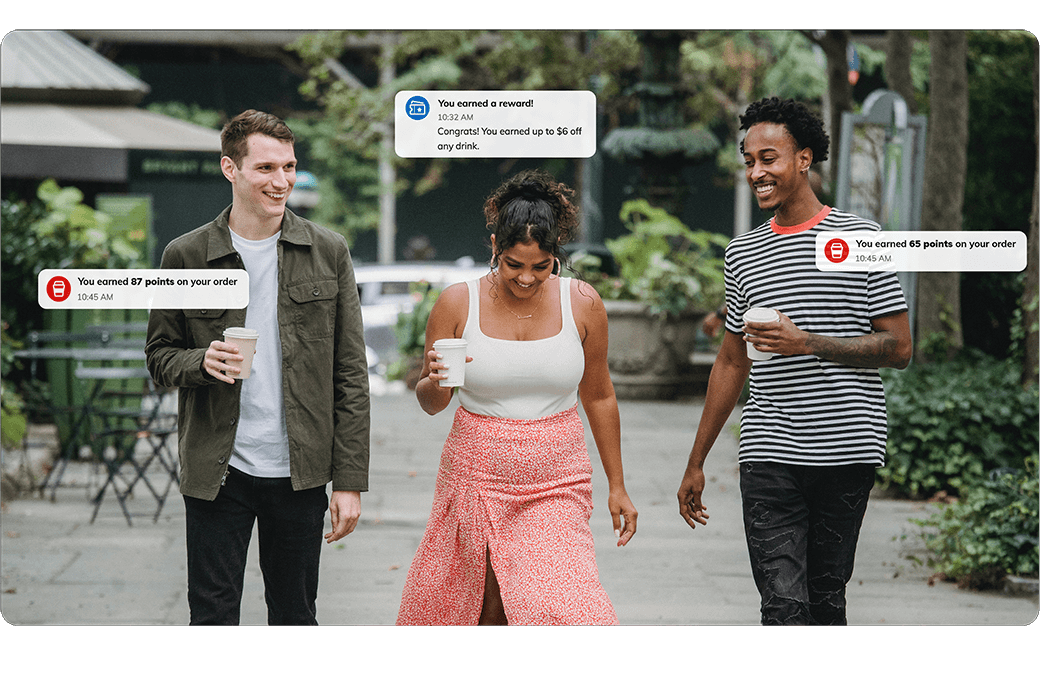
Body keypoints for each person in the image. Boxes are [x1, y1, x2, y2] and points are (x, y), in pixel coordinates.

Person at [676, 97, 912, 626]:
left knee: (826, 599)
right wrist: (697, 462)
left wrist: (807, 342)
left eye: (769, 158)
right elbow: (731, 363)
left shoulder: (861, 239)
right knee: (783, 606)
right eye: (749, 161)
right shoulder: (742, 254)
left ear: (803, 159)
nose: (756, 172)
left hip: (847, 449)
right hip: (770, 451)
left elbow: (898, 348)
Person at [145, 109, 370, 625]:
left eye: (289, 167)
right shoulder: (185, 255)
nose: (282, 181)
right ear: (231, 169)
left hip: (300, 470)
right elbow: (159, 356)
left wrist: (350, 480)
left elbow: (350, 374)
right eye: (266, 168)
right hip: (218, 469)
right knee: (212, 615)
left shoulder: (329, 250)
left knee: (295, 614)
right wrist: (203, 360)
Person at [396, 169, 637, 625]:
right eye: (513, 264)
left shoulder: (582, 303)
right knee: (485, 609)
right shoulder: (456, 303)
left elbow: (600, 396)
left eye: (540, 266)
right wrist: (432, 380)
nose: (526, 278)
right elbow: (433, 402)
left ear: (555, 258)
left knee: (569, 606)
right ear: (494, 248)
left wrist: (618, 486)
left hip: (557, 480)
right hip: (476, 479)